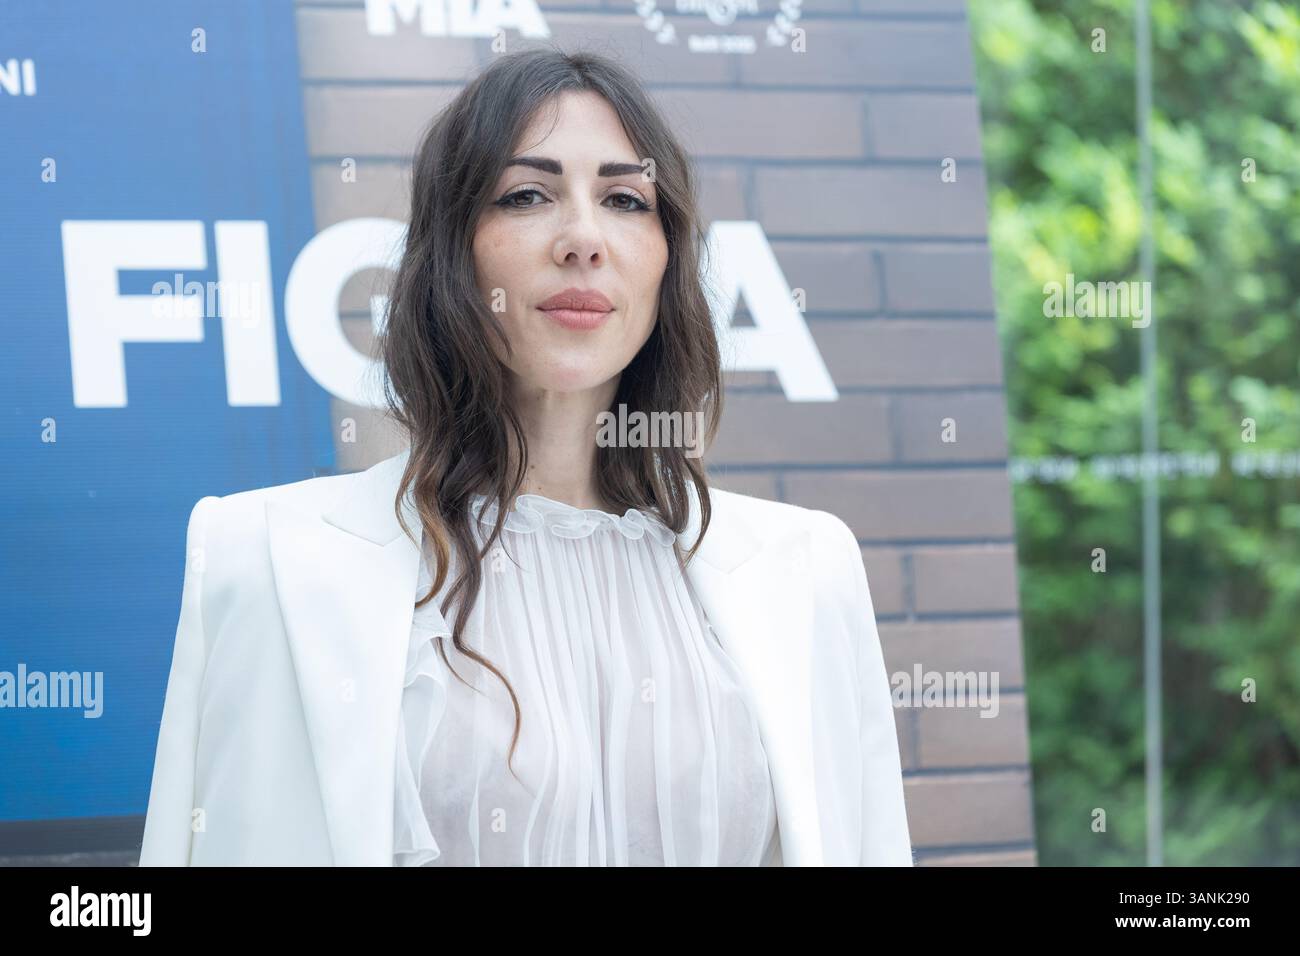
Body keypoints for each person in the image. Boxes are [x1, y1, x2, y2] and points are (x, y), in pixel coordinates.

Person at [139, 48, 913, 867]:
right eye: (526, 195)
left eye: (624, 198)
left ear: (665, 258)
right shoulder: (264, 559)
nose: (583, 238)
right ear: (452, 254)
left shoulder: (806, 571)